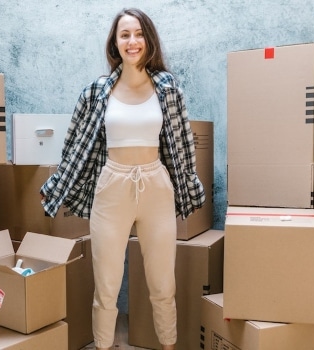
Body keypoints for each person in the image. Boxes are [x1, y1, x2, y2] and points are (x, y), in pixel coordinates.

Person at [40, 7, 205, 350]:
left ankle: (169, 345)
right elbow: (73, 147)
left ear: (149, 40)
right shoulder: (96, 91)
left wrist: (188, 185)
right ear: (115, 43)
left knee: (163, 285)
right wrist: (57, 186)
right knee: (107, 286)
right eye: (125, 34)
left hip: (156, 186)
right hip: (112, 187)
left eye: (139, 33)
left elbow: (184, 143)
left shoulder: (168, 88)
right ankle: (104, 345)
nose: (133, 41)